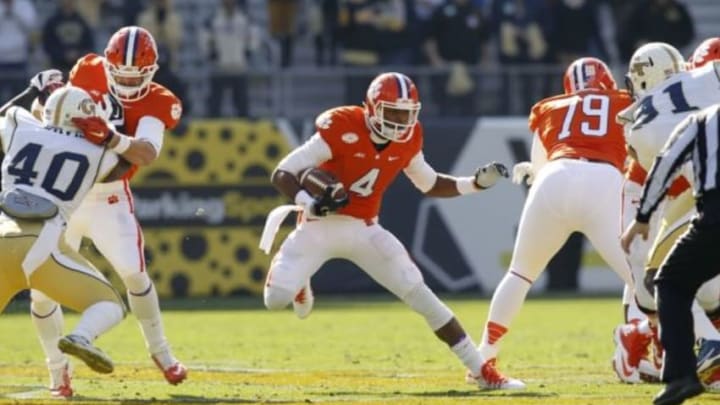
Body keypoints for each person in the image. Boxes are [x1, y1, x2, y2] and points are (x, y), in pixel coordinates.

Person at [260, 72, 517, 389]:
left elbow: (430, 182)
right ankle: (300, 282)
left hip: (365, 229)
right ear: (370, 108)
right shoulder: (342, 125)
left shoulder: (410, 138)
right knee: (275, 299)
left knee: (421, 294)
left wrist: (474, 184)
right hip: (318, 225)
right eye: (392, 112)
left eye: (405, 113)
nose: (399, 121)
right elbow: (282, 172)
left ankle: (482, 372)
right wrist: (307, 203)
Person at [28, 26, 186, 397]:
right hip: (66, 193)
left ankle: (160, 352)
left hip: (110, 198)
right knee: (41, 291)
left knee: (133, 273)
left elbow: (146, 152)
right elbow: (50, 117)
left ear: (152, 71)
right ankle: (57, 374)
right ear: (108, 65)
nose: (128, 82)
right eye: (121, 74)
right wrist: (47, 95)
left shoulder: (161, 101)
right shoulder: (86, 70)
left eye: (136, 76)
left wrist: (111, 137)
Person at [478, 57, 634, 388]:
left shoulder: (550, 106)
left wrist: (537, 172)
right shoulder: (625, 101)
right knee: (642, 279)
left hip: (554, 177)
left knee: (519, 273)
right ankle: (643, 351)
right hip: (604, 180)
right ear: (608, 81)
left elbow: (538, 166)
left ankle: (484, 358)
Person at [0, 84, 126, 397]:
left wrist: (32, 90)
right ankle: (81, 337)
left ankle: (59, 375)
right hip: (41, 246)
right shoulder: (98, 153)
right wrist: (110, 137)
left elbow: (5, 113)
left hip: (2, 235)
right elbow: (127, 165)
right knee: (110, 305)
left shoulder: (20, 127)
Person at [612, 42, 720, 386]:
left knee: (675, 284)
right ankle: (692, 345)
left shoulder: (637, 122)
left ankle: (648, 337)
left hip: (676, 187)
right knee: (668, 283)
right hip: (667, 194)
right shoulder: (706, 77)